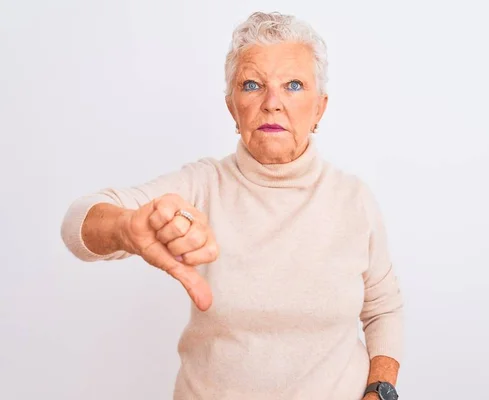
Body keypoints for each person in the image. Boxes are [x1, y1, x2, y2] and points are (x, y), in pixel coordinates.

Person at [60, 11, 403, 400]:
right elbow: (77, 224)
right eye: (253, 85)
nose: (272, 103)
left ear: (320, 108)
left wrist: (379, 390)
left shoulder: (353, 199)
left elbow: (383, 309)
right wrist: (127, 228)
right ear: (232, 108)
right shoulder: (200, 187)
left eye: (293, 85)